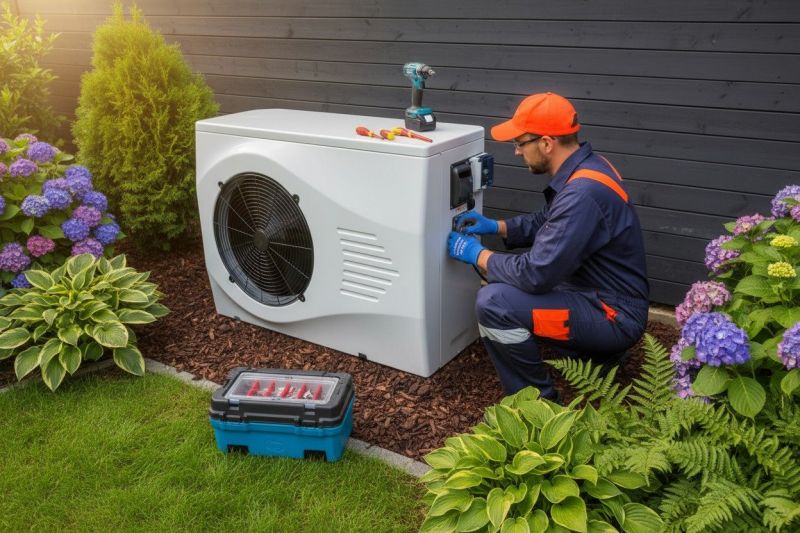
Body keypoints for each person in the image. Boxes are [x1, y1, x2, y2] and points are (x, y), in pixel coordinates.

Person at [447, 92, 649, 401]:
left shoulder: (582, 193)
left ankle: (537, 404)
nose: (517, 152)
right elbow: (550, 220)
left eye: (520, 143)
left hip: (613, 316)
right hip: (600, 294)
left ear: (546, 143)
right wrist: (498, 227)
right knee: (506, 282)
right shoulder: (588, 168)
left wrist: (479, 254)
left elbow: (535, 273)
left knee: (495, 302)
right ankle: (595, 355)